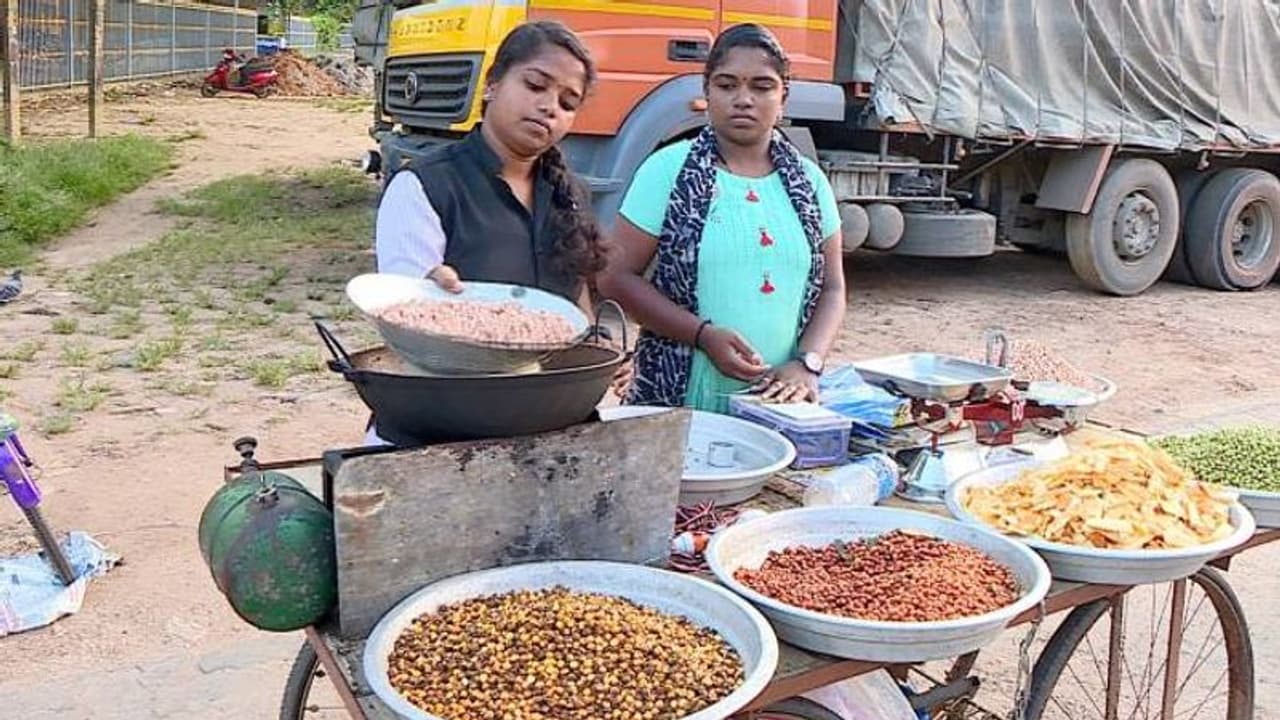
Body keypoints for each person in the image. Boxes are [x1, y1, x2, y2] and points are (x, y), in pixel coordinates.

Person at [365, 20, 607, 445]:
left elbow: (582, 317)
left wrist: (601, 347)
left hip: (545, 428)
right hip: (440, 430)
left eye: (568, 103)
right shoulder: (426, 186)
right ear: (493, 84)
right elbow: (406, 325)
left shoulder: (571, 195)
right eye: (535, 85)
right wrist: (425, 294)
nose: (550, 107)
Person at [598, 23, 846, 414]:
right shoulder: (667, 171)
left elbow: (833, 289)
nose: (743, 99)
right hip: (678, 400)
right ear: (706, 92)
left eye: (761, 87)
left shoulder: (809, 182)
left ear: (784, 96)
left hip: (776, 407)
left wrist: (806, 363)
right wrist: (701, 335)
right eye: (727, 85)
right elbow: (614, 276)